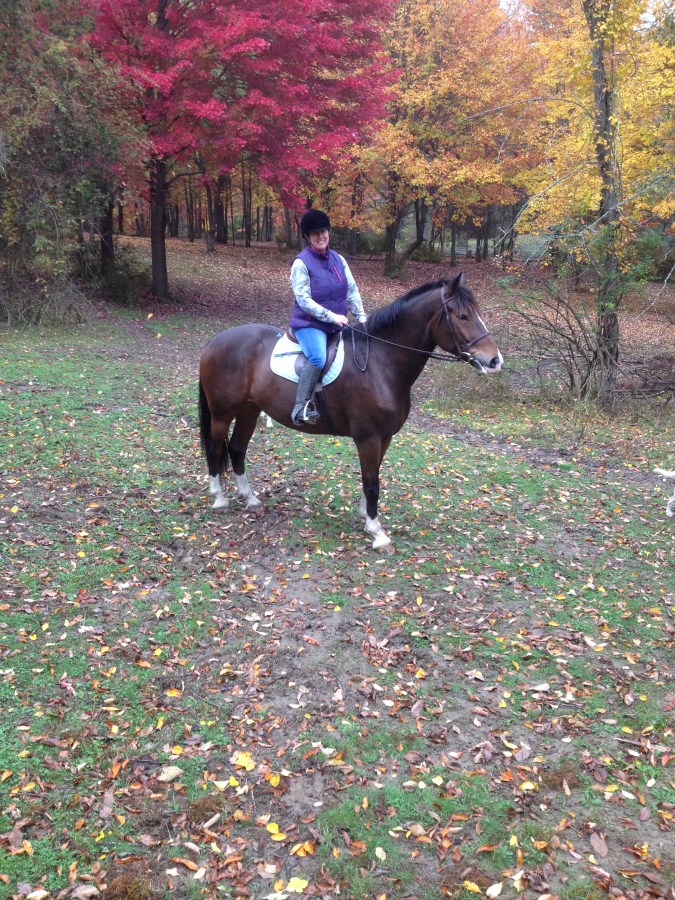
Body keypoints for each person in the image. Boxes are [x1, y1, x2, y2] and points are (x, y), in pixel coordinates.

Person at [289, 209, 367, 425]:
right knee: (317, 358)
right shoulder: (301, 263)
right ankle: (300, 408)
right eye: (315, 233)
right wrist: (331, 316)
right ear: (307, 237)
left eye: (323, 231)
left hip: (336, 323)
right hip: (309, 324)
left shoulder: (338, 259)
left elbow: (351, 290)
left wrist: (362, 318)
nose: (321, 236)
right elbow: (304, 300)